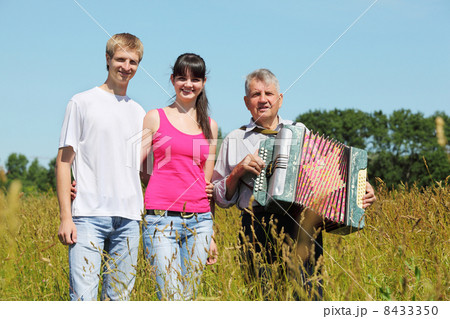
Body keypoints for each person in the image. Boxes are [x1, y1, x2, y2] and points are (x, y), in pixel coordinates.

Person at [212, 68, 377, 300]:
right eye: (256, 94)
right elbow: (220, 198)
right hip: (255, 225)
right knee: (264, 297)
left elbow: (327, 174)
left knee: (309, 296)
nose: (263, 99)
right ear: (246, 101)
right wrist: (237, 171)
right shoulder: (235, 138)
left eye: (269, 93)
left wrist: (360, 187)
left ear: (280, 99)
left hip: (300, 223)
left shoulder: (301, 132)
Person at [56, 33, 145, 301]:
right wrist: (65, 216)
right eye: (120, 59)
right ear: (107, 59)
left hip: (129, 218)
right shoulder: (81, 102)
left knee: (119, 301)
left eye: (133, 61)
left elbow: (143, 170)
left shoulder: (140, 112)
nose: (126, 67)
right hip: (88, 216)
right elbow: (63, 162)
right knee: (84, 300)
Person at [140, 53, 218, 300]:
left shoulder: (210, 125)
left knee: (190, 298)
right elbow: (136, 167)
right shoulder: (155, 117)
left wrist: (212, 233)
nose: (188, 84)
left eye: (195, 79)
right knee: (171, 298)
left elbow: (207, 184)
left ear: (203, 82)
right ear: (173, 80)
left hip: (200, 222)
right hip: (161, 222)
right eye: (182, 78)